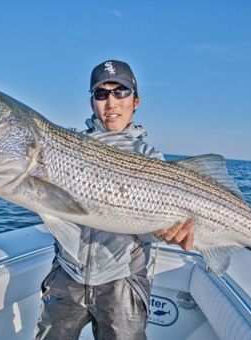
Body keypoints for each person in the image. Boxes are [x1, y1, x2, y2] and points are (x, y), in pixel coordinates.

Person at [34, 60, 194, 340]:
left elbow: (160, 225)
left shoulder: (151, 159)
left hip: (122, 280)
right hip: (67, 274)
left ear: (136, 100)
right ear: (91, 101)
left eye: (120, 91)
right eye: (101, 93)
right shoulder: (68, 145)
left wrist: (170, 232)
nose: (111, 102)